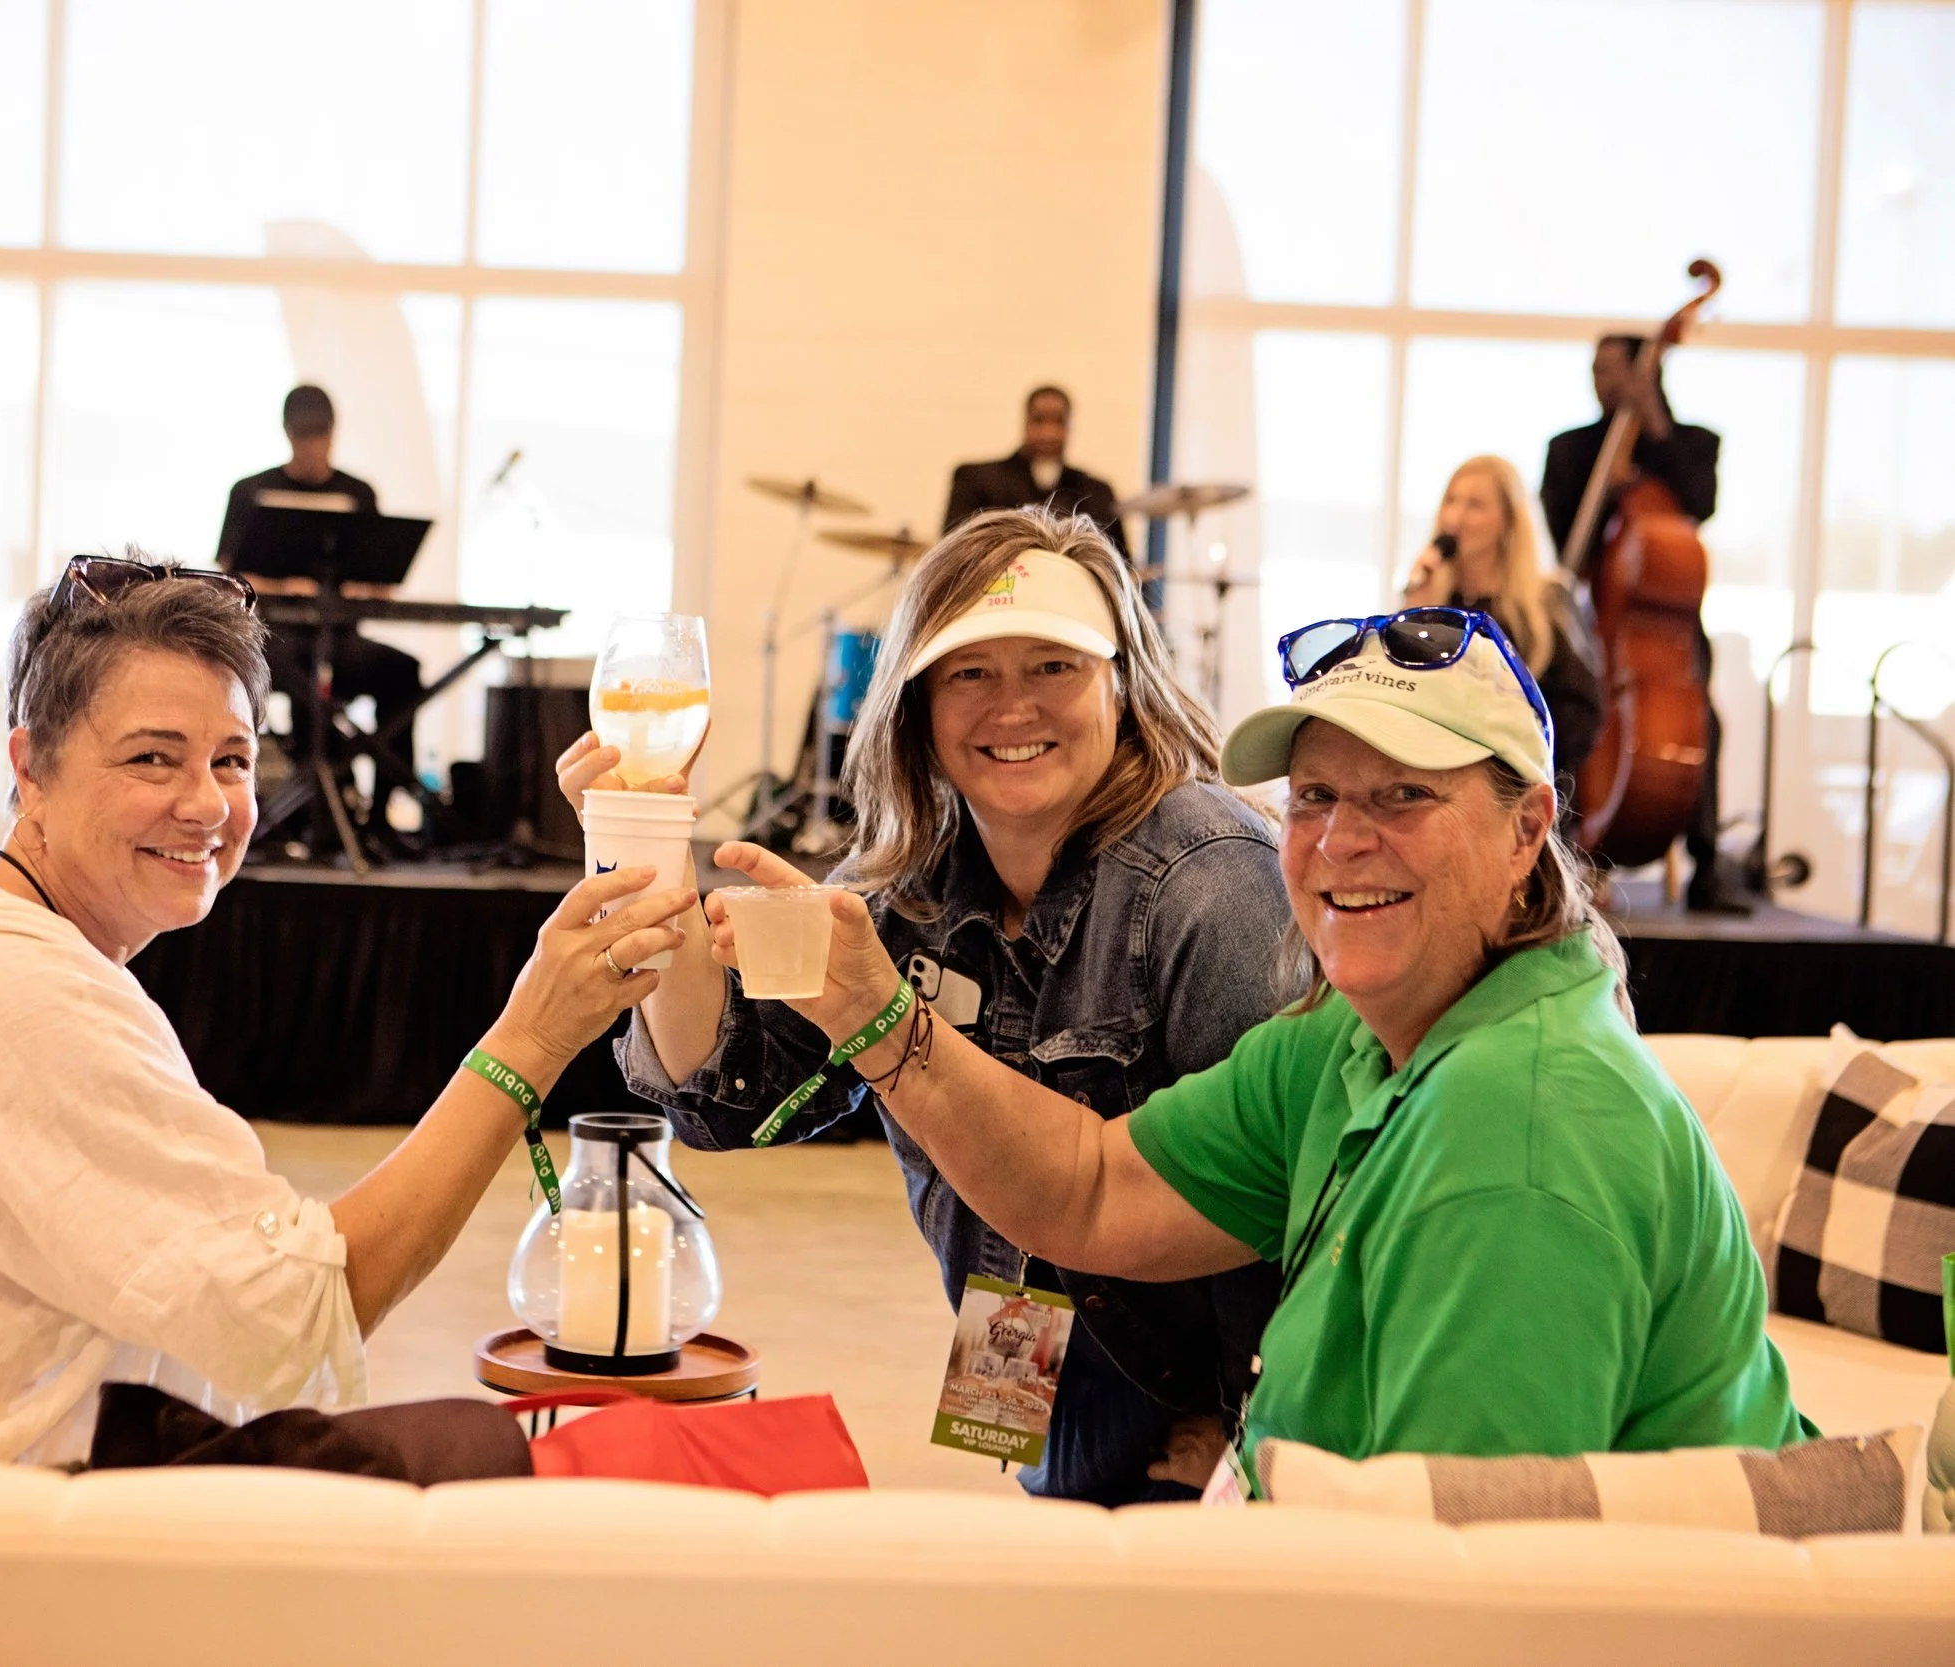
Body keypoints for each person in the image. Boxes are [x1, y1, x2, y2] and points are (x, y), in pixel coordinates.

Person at [0, 554, 694, 1462]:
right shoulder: (6, 992)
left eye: (235, 760)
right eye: (154, 757)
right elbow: (301, 1308)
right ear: (31, 765)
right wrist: (531, 1040)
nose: (206, 803)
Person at [703, 605, 1809, 1479]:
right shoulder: (1350, 1038)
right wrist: (873, 1012)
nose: (1340, 842)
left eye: (1403, 795)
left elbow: (1456, 1589)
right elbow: (1089, 1186)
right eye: (1317, 794)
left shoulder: (1513, 1133)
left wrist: (1243, 1482)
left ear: (1526, 829)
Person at [563, 507, 1289, 1505]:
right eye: (969, 673)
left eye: (1052, 666)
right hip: (1034, 1360)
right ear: (916, 704)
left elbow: (1291, 1194)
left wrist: (1253, 1440)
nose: (1011, 706)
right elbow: (721, 1097)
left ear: (1121, 681)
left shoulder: (1208, 883)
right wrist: (654, 841)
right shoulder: (912, 890)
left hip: (1199, 1402)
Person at [1539, 336, 1739, 912]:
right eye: (1595, 369)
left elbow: (1699, 502)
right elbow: (1566, 539)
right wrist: (1607, 491)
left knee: (1704, 723)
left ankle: (1707, 866)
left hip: (1664, 623)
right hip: (1593, 616)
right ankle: (1568, 851)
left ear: (1644, 371)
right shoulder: (1572, 449)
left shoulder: (1692, 443)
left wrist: (1648, 416)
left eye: (1613, 369)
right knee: (1568, 714)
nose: (1602, 381)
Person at [215, 382, 423, 814]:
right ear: (288, 434)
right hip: (274, 640)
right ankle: (311, 796)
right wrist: (285, 586)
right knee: (300, 676)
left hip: (342, 639)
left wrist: (354, 589)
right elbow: (229, 574)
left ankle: (387, 804)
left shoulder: (357, 493)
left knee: (404, 672)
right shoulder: (251, 491)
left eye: (320, 436)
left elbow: (381, 580)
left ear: (333, 433)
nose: (312, 448)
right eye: (303, 436)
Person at [1403, 454, 1602, 806]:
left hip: (1519, 789)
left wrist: (1527, 783)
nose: (1456, 517)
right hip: (1434, 782)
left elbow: (1580, 711)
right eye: (1452, 500)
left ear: (1508, 521)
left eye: (1475, 505)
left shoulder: (1545, 600)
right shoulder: (1434, 599)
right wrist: (1413, 613)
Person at [943, 387, 1129, 560]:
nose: (1048, 433)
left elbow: (1119, 563)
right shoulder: (976, 480)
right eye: (1039, 420)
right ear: (1025, 421)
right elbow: (953, 550)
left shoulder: (1097, 492)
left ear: (1071, 426)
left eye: (1059, 422)